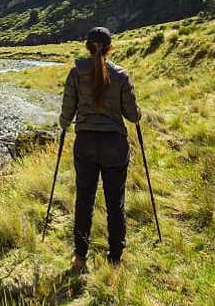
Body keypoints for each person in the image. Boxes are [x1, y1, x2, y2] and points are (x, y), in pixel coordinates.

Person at [59, 27, 141, 271]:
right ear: (109, 48)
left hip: (85, 144)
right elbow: (133, 115)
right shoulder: (121, 76)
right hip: (114, 145)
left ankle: (80, 256)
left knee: (84, 199)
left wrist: (64, 125)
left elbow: (67, 111)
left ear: (87, 46)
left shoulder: (75, 73)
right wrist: (139, 112)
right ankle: (114, 257)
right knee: (114, 200)